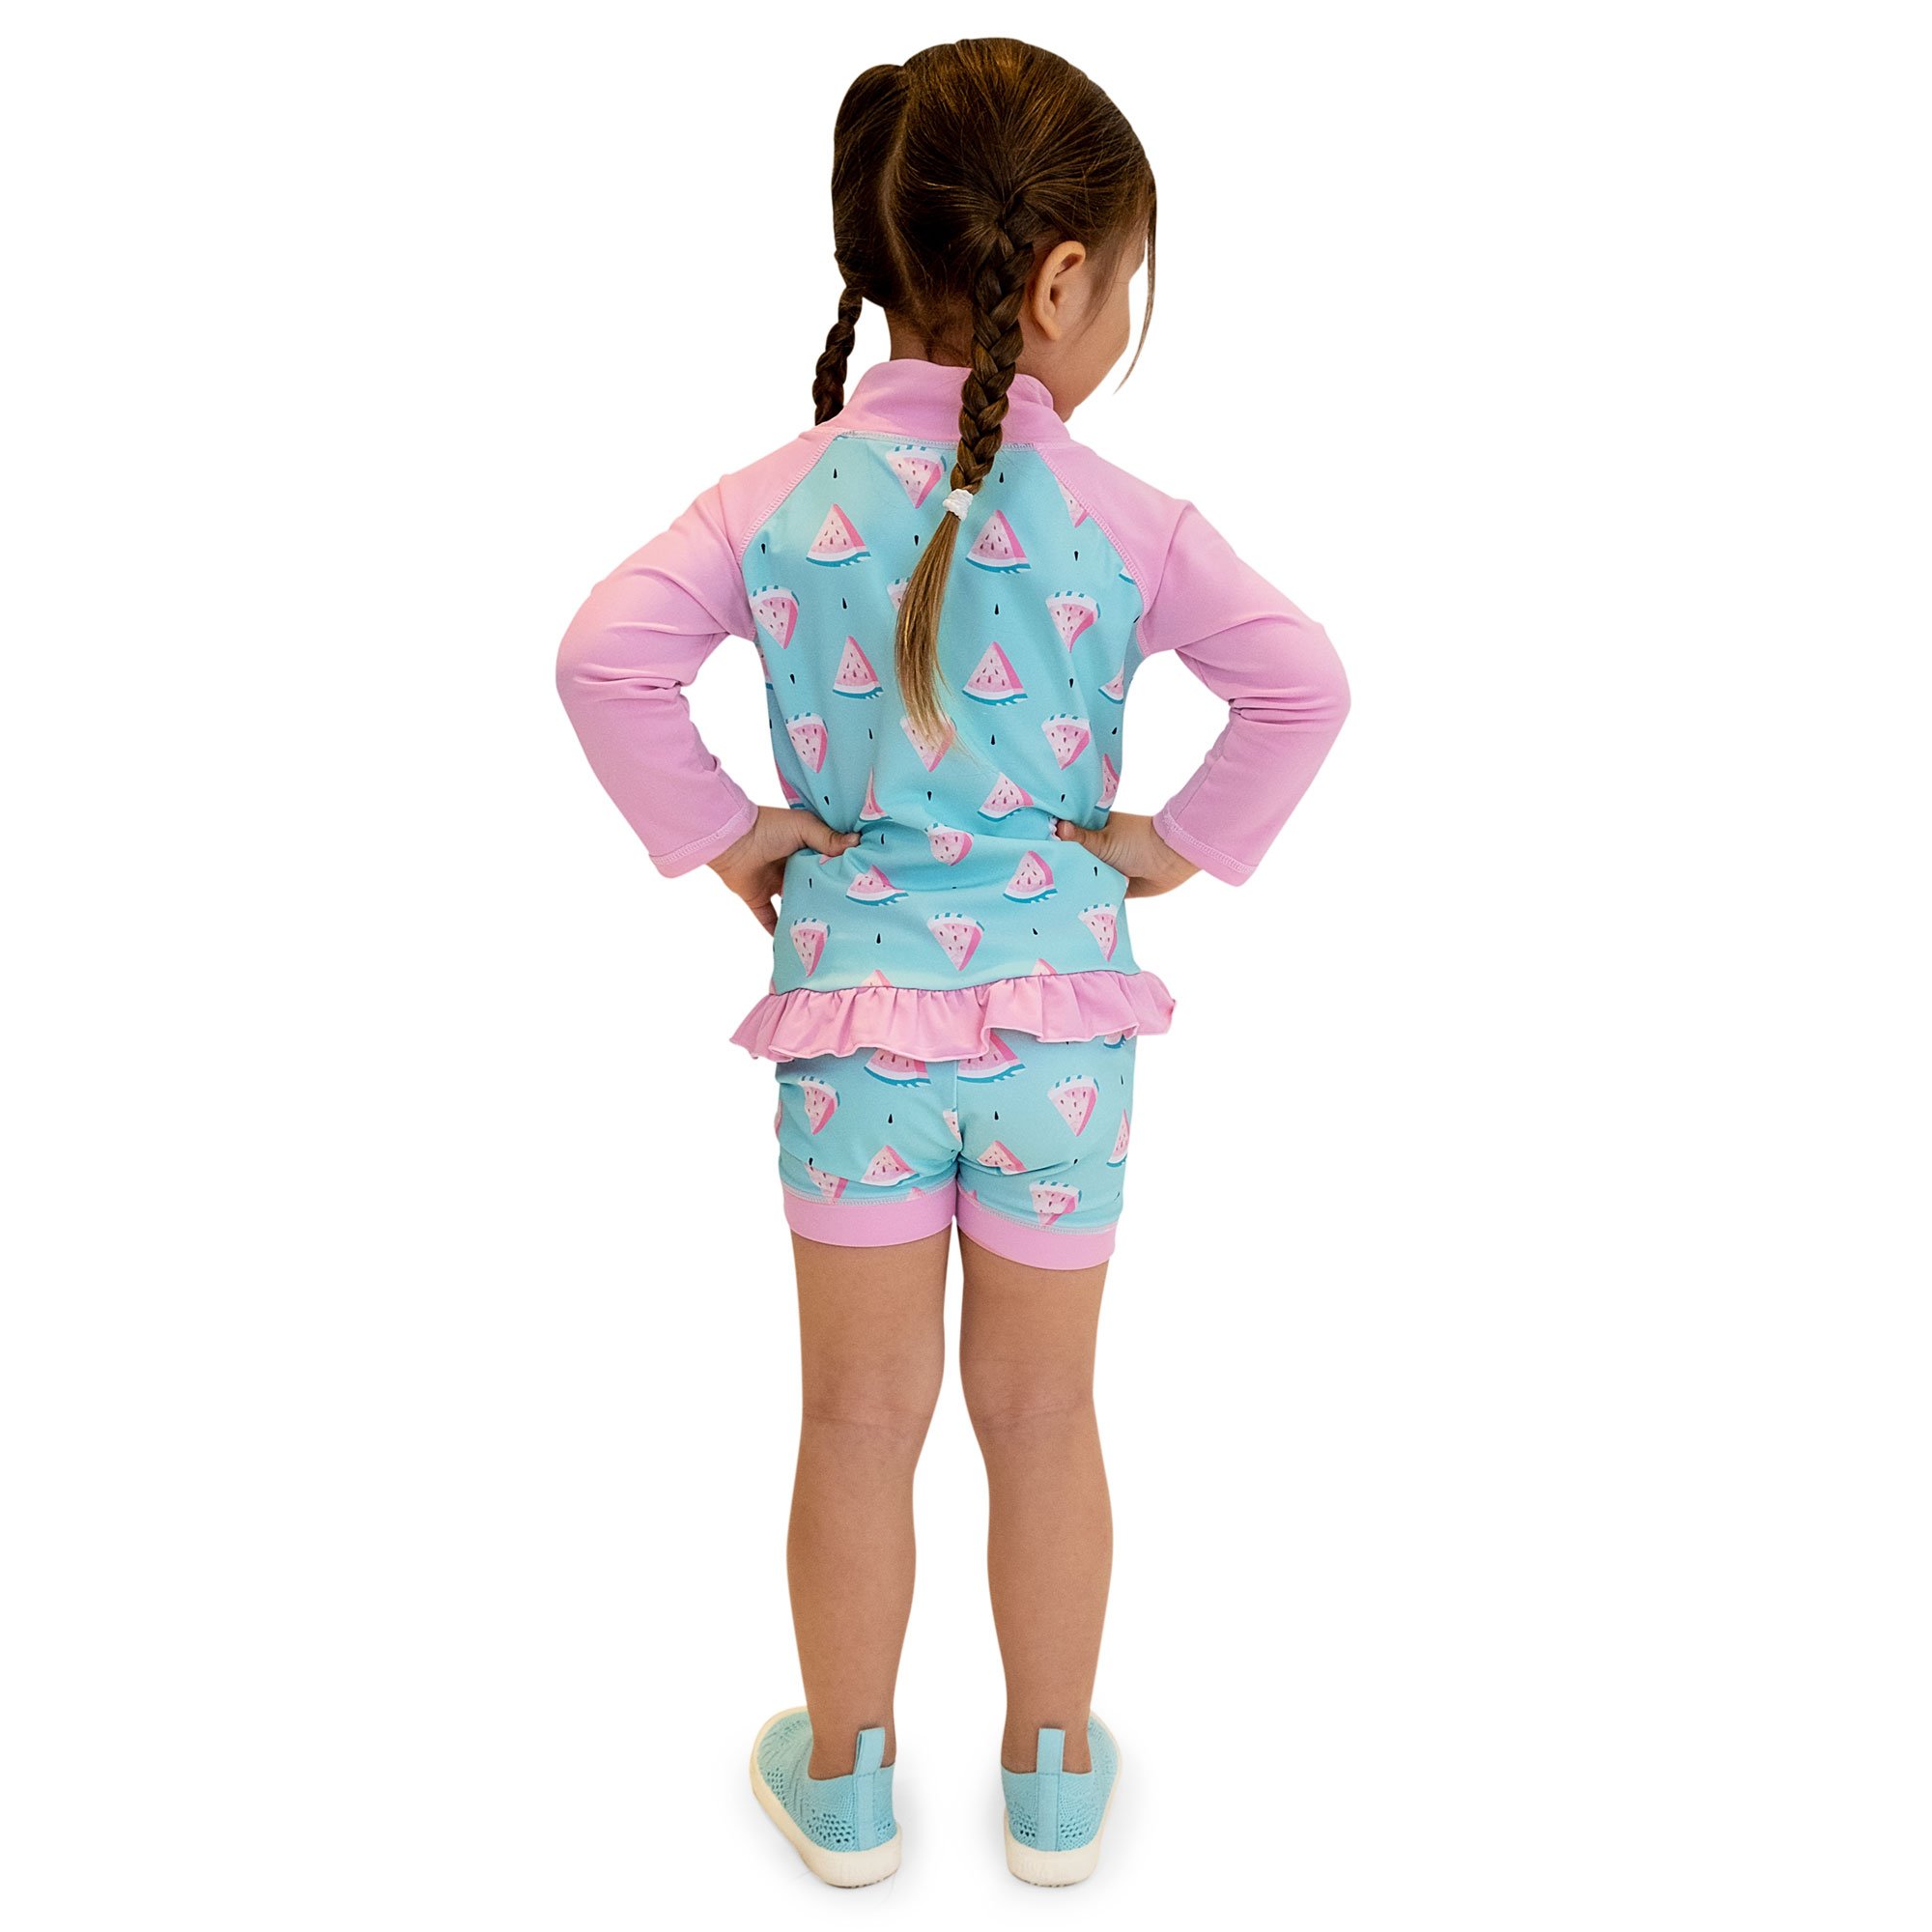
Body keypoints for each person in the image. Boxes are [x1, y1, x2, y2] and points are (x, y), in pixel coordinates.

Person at [554, 36, 1351, 1889]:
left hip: (853, 1033)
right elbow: (1305, 684)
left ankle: (844, 1787)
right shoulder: (1129, 524)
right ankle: (1053, 1784)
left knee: (855, 1419)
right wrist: (1167, 848)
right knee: (1047, 1412)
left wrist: (736, 835)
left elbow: (602, 658)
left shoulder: (773, 502)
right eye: (1127, 284)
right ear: (1061, 280)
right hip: (1067, 1035)